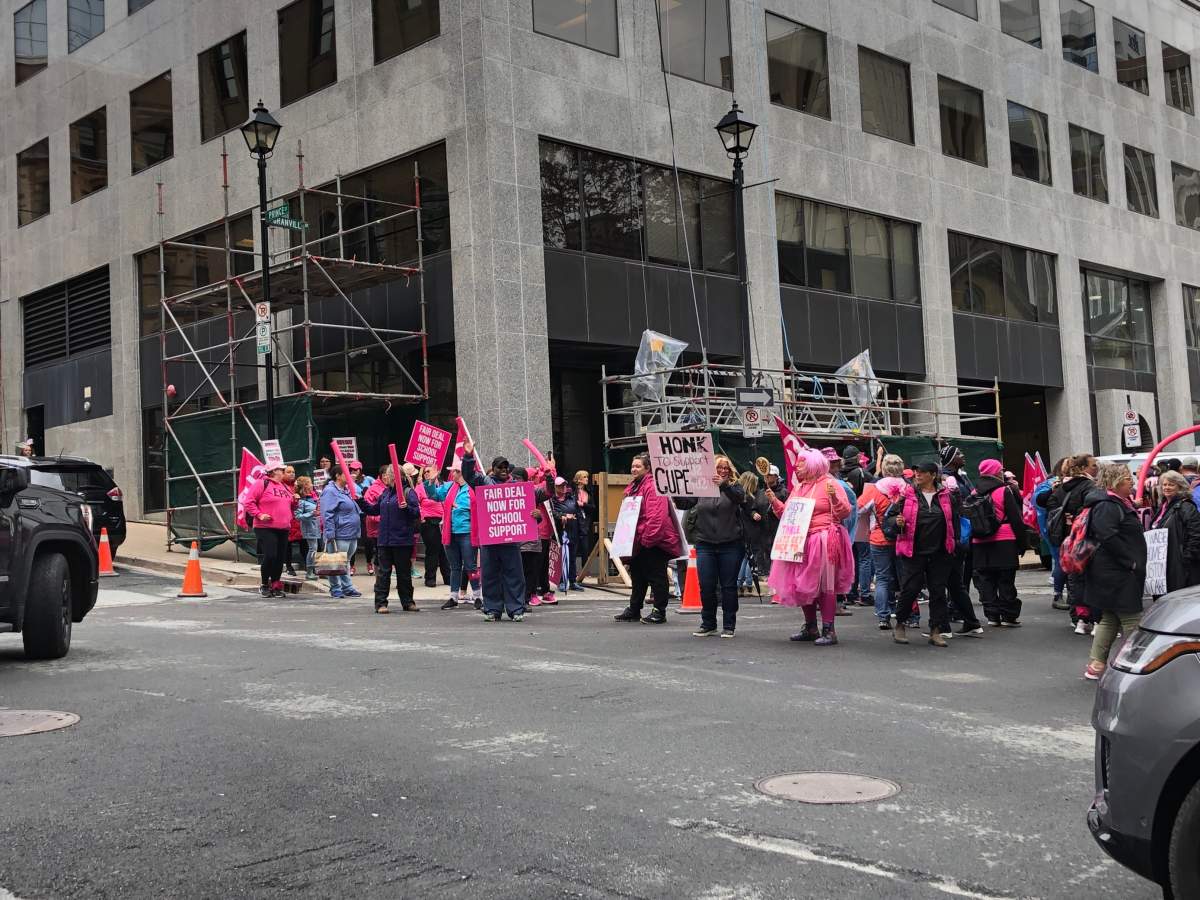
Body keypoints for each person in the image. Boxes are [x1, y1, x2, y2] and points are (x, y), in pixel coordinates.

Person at [766, 447, 853, 646]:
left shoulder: (830, 483)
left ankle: (829, 629)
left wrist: (833, 498)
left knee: (824, 585)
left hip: (823, 539)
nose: (797, 467)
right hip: (800, 539)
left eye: (801, 463)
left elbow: (845, 512)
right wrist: (774, 501)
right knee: (803, 584)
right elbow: (787, 515)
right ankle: (811, 626)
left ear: (813, 465)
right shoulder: (799, 487)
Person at [1084, 464, 1149, 680]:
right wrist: (1129, 562)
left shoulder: (1113, 503)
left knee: (1110, 617)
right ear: (1115, 482)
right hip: (1117, 571)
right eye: (1127, 478)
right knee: (1131, 618)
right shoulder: (1108, 505)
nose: (1131, 481)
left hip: (1112, 570)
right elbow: (1108, 535)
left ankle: (1097, 664)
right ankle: (1134, 662)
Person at [886, 462, 960, 646]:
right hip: (914, 551)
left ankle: (936, 630)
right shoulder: (907, 496)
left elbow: (955, 521)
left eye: (922, 472)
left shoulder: (946, 496)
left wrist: (954, 543)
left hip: (940, 552)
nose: (917, 475)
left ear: (933, 475)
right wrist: (897, 521)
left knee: (938, 592)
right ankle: (900, 624)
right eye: (916, 472)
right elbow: (889, 518)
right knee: (910, 589)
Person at [677, 456, 747, 638]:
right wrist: (674, 491)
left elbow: (740, 498)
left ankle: (729, 625)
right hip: (705, 543)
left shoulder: (735, 486)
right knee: (706, 585)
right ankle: (708, 623)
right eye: (719, 468)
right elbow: (685, 503)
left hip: (730, 543)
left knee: (728, 586)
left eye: (726, 468)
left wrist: (724, 484)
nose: (723, 471)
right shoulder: (701, 487)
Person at [461, 442, 530, 622]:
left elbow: (535, 500)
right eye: (500, 467)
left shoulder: (517, 485)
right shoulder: (484, 482)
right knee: (490, 576)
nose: (504, 470)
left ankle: (516, 610)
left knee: (514, 575)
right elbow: (468, 475)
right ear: (493, 469)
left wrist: (549, 477)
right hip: (490, 540)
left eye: (506, 467)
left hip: (510, 541)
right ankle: (492, 609)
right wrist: (468, 457)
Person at [614, 453, 682, 624]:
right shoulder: (634, 486)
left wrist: (648, 539)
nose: (634, 469)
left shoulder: (652, 486)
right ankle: (634, 609)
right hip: (639, 539)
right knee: (638, 575)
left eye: (638, 466)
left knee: (656, 576)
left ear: (647, 468)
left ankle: (659, 611)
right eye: (633, 466)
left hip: (653, 540)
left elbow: (656, 516)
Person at [1045, 454, 1098, 632]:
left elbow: (1049, 505)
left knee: (1074, 577)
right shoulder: (1089, 485)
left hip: (1067, 538)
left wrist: (1067, 518)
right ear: (1083, 468)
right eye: (1093, 465)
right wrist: (1077, 516)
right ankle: (1095, 618)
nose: (1096, 468)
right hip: (1086, 536)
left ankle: (1079, 618)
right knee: (1091, 577)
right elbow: (1093, 505)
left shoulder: (1060, 488)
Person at [970, 459, 1025, 627]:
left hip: (980, 540)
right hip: (1005, 538)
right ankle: (1009, 615)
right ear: (994, 472)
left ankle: (992, 616)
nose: (1002, 473)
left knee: (986, 579)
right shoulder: (1004, 491)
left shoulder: (974, 492)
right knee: (1006, 579)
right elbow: (1015, 518)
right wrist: (1022, 542)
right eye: (1000, 470)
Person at [360, 464, 421, 613]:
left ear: (395, 476)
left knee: (403, 573)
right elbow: (374, 509)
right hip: (385, 540)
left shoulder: (408, 492)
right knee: (383, 573)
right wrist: (360, 501)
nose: (386, 477)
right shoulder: (385, 494)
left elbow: (416, 513)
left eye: (388, 474)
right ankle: (381, 603)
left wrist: (406, 507)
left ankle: (407, 602)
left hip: (401, 540)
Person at [857, 454, 908, 631]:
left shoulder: (875, 489)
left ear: (884, 469)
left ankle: (883, 616)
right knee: (905, 579)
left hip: (879, 538)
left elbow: (859, 508)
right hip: (903, 538)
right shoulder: (908, 489)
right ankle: (907, 615)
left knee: (882, 578)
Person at [424, 464, 479, 610]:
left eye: (454, 471)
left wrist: (463, 508)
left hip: (467, 532)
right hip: (451, 532)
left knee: (470, 566)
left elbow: (481, 506)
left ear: (460, 472)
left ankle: (478, 596)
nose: (451, 474)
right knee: (454, 567)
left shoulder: (473, 487)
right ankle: (453, 597)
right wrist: (431, 482)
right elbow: (434, 495)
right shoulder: (449, 487)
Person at [243, 463, 296, 598]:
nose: (284, 472)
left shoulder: (285, 487)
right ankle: (264, 584)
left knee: (279, 558)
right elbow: (248, 501)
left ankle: (276, 584)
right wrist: (260, 514)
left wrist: (295, 501)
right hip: (265, 527)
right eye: (282, 470)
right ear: (273, 472)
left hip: (283, 527)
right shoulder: (261, 483)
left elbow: (290, 506)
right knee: (271, 555)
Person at [1151, 470, 1200, 593]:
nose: (1166, 487)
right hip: (1164, 564)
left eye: (1171, 484)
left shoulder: (1186, 506)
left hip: (1180, 566)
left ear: (1180, 487)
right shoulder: (1163, 506)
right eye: (1164, 484)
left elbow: (1196, 535)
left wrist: (1185, 558)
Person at [824, 448, 858, 616]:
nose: (835, 464)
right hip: (834, 531)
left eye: (835, 461)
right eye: (832, 462)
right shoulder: (838, 484)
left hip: (829, 532)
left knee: (830, 569)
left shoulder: (833, 482)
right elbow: (850, 511)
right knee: (835, 569)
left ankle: (830, 603)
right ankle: (835, 604)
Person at [320, 468, 363, 599]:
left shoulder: (346, 490)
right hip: (339, 533)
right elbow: (327, 513)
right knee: (335, 561)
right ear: (338, 476)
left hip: (351, 532)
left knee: (345, 561)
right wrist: (329, 532)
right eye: (346, 474)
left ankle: (347, 587)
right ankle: (336, 588)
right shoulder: (330, 491)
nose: (350, 476)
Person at [415, 466, 452, 589]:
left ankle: (448, 577)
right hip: (429, 521)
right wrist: (422, 517)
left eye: (429, 471)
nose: (426, 473)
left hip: (444, 521)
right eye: (425, 471)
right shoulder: (421, 487)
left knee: (444, 550)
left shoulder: (445, 485)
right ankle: (430, 578)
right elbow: (415, 503)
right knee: (433, 550)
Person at [568, 470, 594, 590]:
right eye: (584, 477)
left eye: (587, 477)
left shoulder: (588, 492)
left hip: (585, 522)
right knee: (573, 548)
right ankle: (572, 574)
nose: (587, 479)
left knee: (585, 547)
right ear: (578, 479)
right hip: (574, 521)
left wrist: (583, 504)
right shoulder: (572, 491)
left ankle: (584, 572)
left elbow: (593, 507)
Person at [552, 476, 578, 592]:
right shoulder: (552, 500)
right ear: (555, 487)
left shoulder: (571, 497)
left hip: (572, 530)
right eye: (560, 485)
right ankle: (561, 581)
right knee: (561, 557)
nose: (563, 487)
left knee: (572, 557)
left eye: (564, 485)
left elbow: (576, 510)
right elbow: (551, 512)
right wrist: (561, 516)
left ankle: (572, 581)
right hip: (559, 531)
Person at [294, 475, 320, 580]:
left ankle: (315, 570)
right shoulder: (301, 501)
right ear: (305, 486)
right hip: (310, 528)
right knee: (312, 549)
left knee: (316, 549)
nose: (312, 485)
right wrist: (311, 513)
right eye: (309, 483)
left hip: (318, 527)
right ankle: (309, 572)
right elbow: (298, 516)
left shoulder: (313, 497)